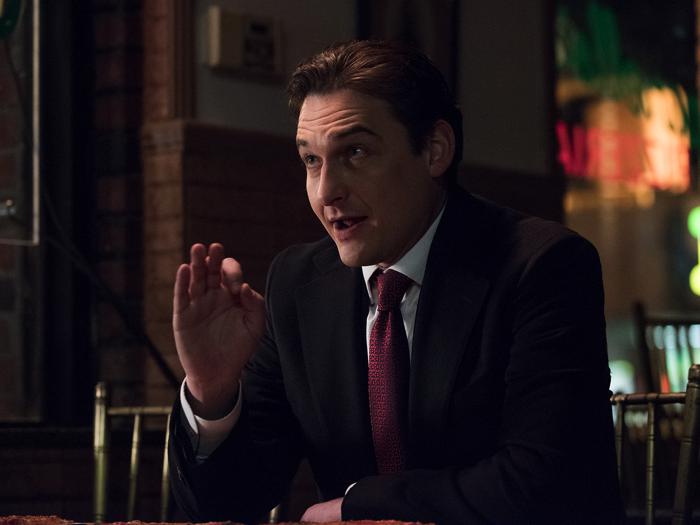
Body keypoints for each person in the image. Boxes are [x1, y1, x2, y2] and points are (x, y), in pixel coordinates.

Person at [168, 40, 624, 525]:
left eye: (355, 152)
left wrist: (362, 506)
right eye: (311, 161)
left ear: (435, 150)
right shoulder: (297, 283)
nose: (326, 191)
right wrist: (212, 392)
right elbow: (229, 503)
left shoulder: (543, 264)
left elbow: (546, 483)